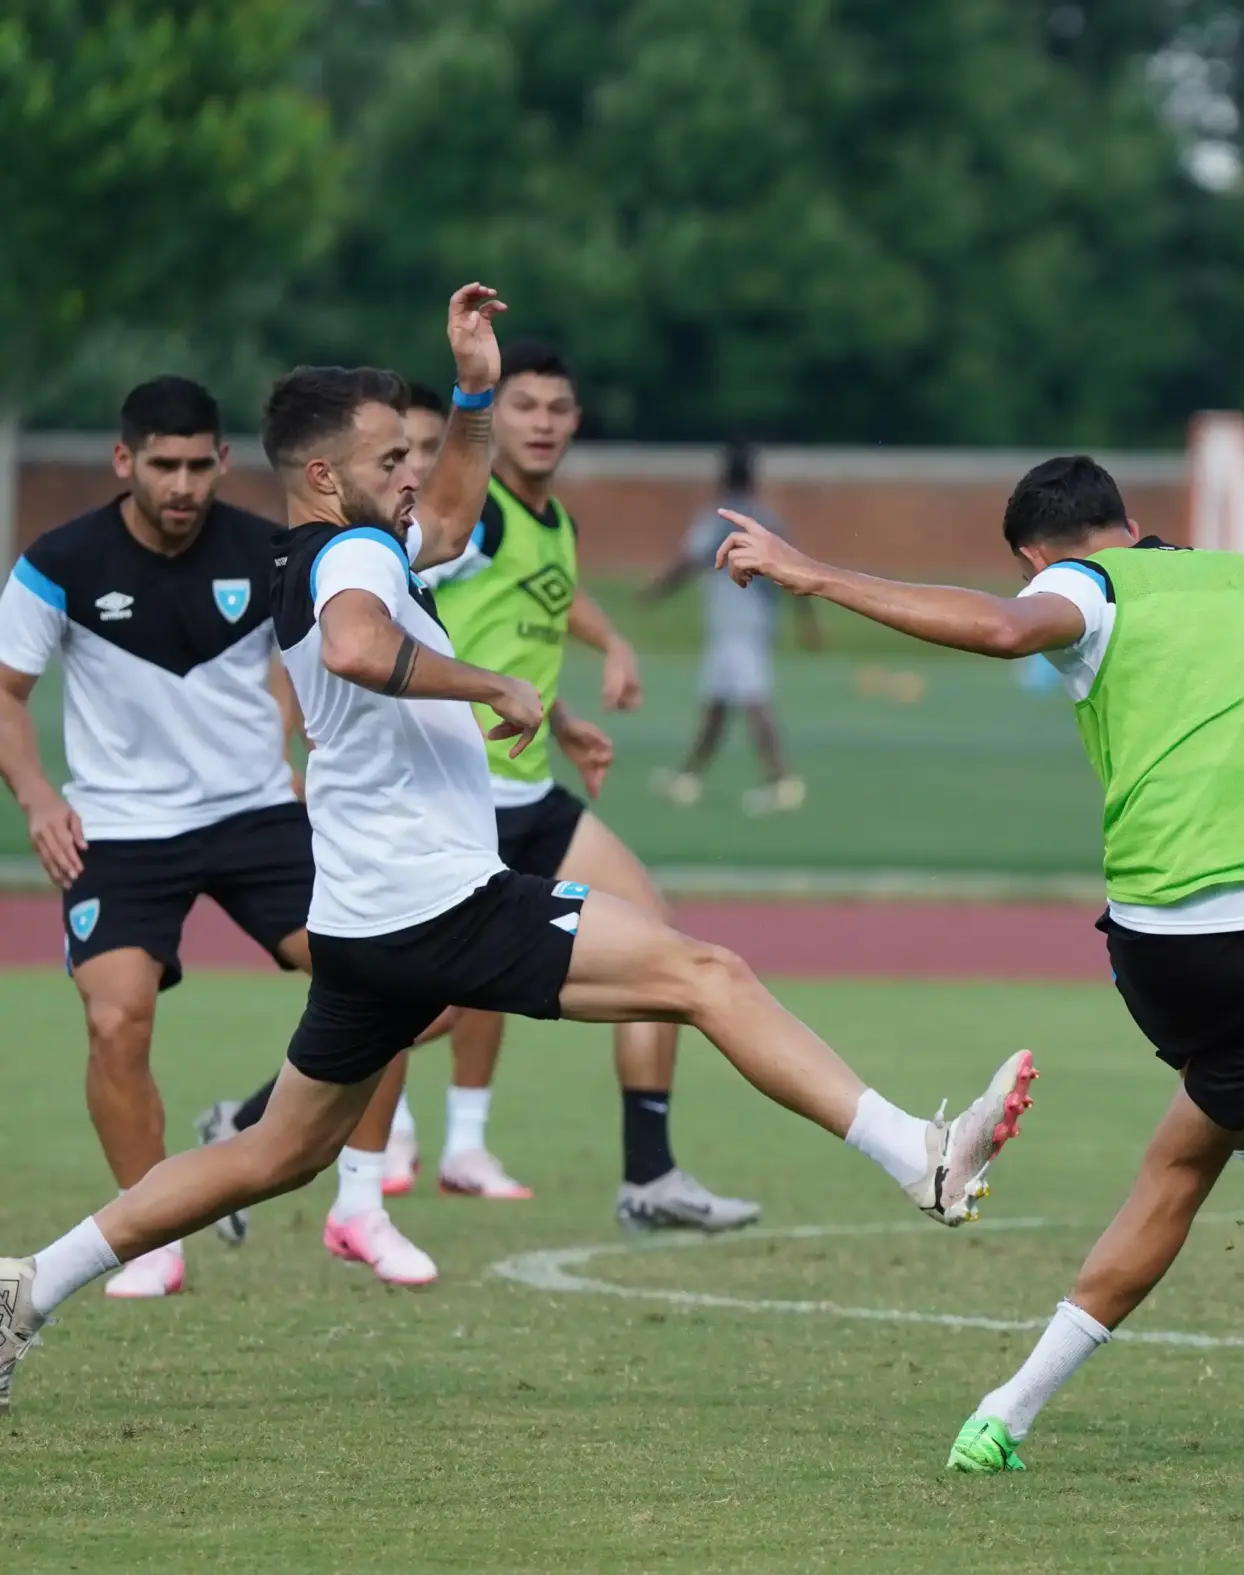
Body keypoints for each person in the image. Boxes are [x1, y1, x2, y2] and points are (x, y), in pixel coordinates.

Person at [0, 284, 1036, 1415]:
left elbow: (447, 519)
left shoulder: (350, 548)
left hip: (371, 920)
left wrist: (475, 390)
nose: (411, 468)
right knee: (706, 974)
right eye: (387, 455)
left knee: (273, 1156)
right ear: (318, 476)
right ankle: (918, 1159)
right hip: (434, 904)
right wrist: (484, 678)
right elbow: (355, 648)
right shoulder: (346, 565)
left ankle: (29, 1285)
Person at [717, 454, 1244, 1474]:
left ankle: (1009, 1412)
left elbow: (1002, 629)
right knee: (1221, 1101)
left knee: (1186, 1137)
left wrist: (816, 575)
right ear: (1130, 518)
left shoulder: (1080, 587)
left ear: (1032, 554)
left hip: (1161, 944)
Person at [0, 377, 430, 1293]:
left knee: (393, 977)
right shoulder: (59, 560)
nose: (184, 483)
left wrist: (292, 735)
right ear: (126, 462)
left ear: (225, 461)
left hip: (256, 814)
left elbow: (310, 650)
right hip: (120, 827)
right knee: (116, 1017)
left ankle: (357, 1203)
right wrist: (38, 796)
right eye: (164, 465)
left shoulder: (273, 549)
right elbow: (6, 690)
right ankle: (150, 1239)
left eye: (200, 464)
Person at [414, 340, 758, 1232]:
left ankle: (649, 1175)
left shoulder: (550, 522)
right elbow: (390, 600)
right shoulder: (471, 514)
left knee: (658, 937)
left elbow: (548, 603)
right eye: (522, 406)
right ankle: (256, 1122)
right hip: (461, 799)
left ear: (575, 422)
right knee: (418, 1008)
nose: (539, 423)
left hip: (532, 794)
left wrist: (598, 668)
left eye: (556, 409)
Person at [644, 441, 813, 815]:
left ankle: (782, 780)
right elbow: (799, 574)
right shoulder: (767, 519)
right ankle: (689, 775)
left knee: (754, 700)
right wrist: (807, 623)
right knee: (717, 703)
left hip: (734, 623)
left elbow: (687, 562)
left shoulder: (718, 519)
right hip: (755, 622)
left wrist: (655, 592)